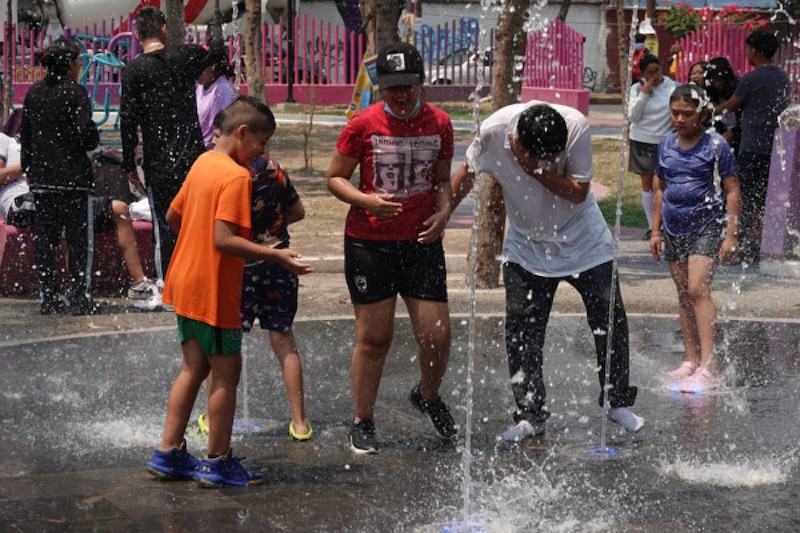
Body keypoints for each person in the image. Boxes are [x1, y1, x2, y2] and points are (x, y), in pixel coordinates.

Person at [145, 96, 313, 487]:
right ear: (242, 134)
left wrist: (196, 239)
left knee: (193, 368)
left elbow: (173, 216)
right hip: (214, 288)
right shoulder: (237, 176)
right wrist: (276, 256)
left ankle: (168, 452)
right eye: (261, 143)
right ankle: (217, 461)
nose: (262, 152)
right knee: (226, 374)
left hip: (184, 281)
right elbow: (224, 240)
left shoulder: (203, 163)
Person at [451, 102, 644, 442]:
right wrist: (442, 215)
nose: (546, 162)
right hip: (527, 245)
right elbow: (466, 173)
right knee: (521, 330)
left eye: (551, 157)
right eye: (538, 156)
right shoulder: (493, 133)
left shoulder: (575, 126)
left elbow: (578, 190)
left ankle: (617, 403)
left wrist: (534, 170)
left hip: (583, 239)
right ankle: (530, 414)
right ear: (517, 141)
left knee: (610, 315)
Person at [326, 41, 456, 454]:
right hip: (370, 243)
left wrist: (445, 212)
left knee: (438, 334)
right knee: (375, 337)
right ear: (380, 85)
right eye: (392, 87)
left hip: (420, 241)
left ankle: (428, 395)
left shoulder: (440, 123)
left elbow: (441, 181)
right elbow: (335, 178)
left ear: (421, 84)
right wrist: (366, 201)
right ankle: (363, 419)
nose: (401, 95)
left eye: (409, 86)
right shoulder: (362, 124)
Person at [197, 119, 312, 442]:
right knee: (283, 338)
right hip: (280, 262)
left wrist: (248, 235)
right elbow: (298, 211)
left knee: (223, 344)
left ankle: (212, 414)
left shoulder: (227, 174)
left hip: (240, 267)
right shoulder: (274, 170)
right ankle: (300, 421)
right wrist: (270, 230)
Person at [120, 7, 224, 306]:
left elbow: (128, 121)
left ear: (138, 35)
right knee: (197, 222)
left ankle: (169, 288)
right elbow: (215, 50)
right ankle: (202, 284)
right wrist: (213, 26)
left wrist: (129, 163)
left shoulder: (134, 70)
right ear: (164, 29)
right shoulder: (186, 56)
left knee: (165, 225)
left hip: (158, 163)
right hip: (192, 159)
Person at [0, 109, 157, 301]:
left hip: (59, 197)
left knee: (119, 209)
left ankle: (138, 284)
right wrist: (29, 164)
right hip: (22, 202)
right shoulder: (6, 142)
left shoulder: (54, 147)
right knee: (67, 211)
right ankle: (75, 291)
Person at [649, 85, 741, 393]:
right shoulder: (665, 146)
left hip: (707, 226)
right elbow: (659, 187)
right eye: (674, 113)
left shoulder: (716, 146)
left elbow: (732, 190)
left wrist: (730, 234)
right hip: (674, 227)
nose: (679, 119)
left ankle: (709, 365)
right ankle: (690, 359)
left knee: (698, 289)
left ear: (702, 113)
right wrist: (656, 229)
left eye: (687, 114)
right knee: (683, 295)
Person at [20, 38, 100, 315]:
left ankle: (48, 297)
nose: (80, 66)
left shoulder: (33, 93)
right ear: (68, 64)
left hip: (43, 179)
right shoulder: (76, 93)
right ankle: (80, 297)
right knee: (79, 244)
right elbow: (86, 135)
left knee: (46, 242)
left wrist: (29, 169)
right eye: (78, 61)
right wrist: (92, 136)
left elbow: (26, 136)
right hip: (74, 181)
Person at [715, 29, 789, 265]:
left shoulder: (751, 79)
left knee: (744, 199)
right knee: (767, 200)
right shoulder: (782, 76)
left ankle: (736, 247)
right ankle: (763, 246)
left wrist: (709, 110)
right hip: (775, 150)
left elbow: (731, 104)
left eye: (747, 48)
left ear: (754, 51)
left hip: (752, 148)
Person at [628, 53, 679, 240]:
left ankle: (665, 224)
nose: (655, 76)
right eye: (649, 73)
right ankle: (652, 226)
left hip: (665, 141)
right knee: (647, 183)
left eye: (657, 71)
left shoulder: (673, 87)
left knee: (664, 183)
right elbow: (632, 117)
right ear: (642, 73)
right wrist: (644, 93)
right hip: (642, 139)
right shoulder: (636, 89)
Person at [196, 52, 237, 150]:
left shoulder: (223, 90)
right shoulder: (199, 87)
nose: (195, 73)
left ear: (212, 68)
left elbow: (223, 127)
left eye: (199, 69)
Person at [705, 57, 741, 155]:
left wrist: (734, 133)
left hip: (739, 137)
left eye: (720, 80)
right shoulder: (711, 93)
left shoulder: (739, 90)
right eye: (713, 81)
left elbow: (746, 118)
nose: (717, 84)